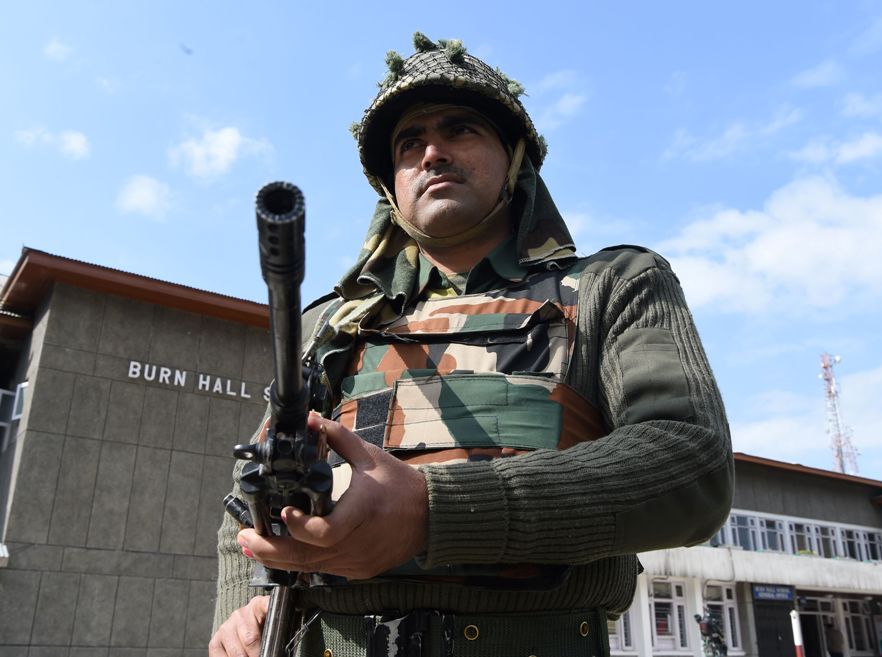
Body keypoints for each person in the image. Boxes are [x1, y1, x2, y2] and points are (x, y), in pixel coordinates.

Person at [210, 33, 733, 657]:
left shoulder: (610, 284)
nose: (432, 153)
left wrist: (433, 512)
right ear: (391, 185)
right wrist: (244, 608)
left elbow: (688, 463)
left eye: (460, 130)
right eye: (410, 143)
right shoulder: (331, 325)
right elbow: (247, 501)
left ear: (514, 160)